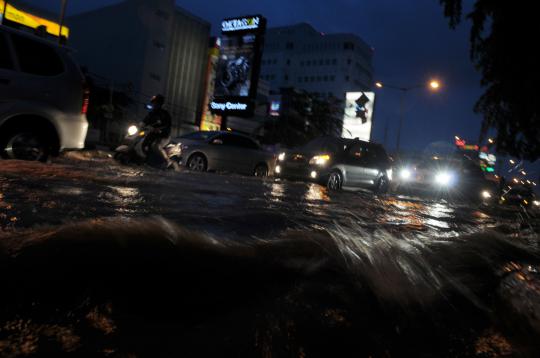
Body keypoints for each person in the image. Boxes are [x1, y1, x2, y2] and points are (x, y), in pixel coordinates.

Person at [142, 95, 172, 168]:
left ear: (160, 104)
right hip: (153, 135)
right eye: (154, 103)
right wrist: (141, 124)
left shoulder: (165, 114)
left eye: (156, 103)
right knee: (143, 142)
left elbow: (167, 125)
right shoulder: (152, 113)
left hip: (163, 136)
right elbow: (145, 120)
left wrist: (160, 129)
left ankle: (167, 161)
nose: (154, 104)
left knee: (156, 146)